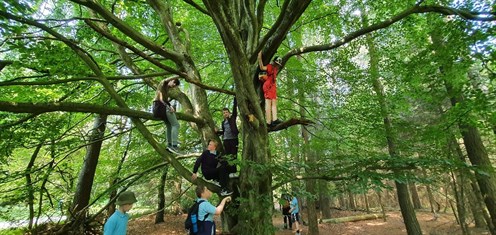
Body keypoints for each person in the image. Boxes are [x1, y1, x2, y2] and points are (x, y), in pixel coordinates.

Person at [154, 78, 181, 154]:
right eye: (174, 82)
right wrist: (178, 74)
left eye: (176, 85)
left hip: (159, 109)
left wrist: (170, 105)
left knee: (169, 125)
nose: (174, 85)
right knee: (176, 125)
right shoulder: (162, 84)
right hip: (161, 107)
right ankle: (174, 145)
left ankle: (169, 145)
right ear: (171, 80)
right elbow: (161, 100)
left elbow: (164, 100)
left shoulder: (166, 89)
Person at [258, 51, 283, 127]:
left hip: (273, 87)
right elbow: (262, 67)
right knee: (268, 104)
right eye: (276, 63)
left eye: (278, 64)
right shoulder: (269, 66)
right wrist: (259, 58)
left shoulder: (275, 69)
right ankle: (269, 122)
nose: (277, 65)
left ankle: (274, 119)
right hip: (268, 86)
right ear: (274, 62)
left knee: (274, 103)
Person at [216, 98, 239, 177]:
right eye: (224, 113)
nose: (225, 113)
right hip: (226, 140)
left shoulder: (232, 118)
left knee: (233, 155)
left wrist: (235, 99)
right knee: (228, 156)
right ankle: (229, 172)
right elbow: (224, 131)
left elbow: (235, 109)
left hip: (233, 139)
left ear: (229, 113)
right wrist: (218, 132)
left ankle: (234, 172)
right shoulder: (223, 122)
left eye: (226, 112)